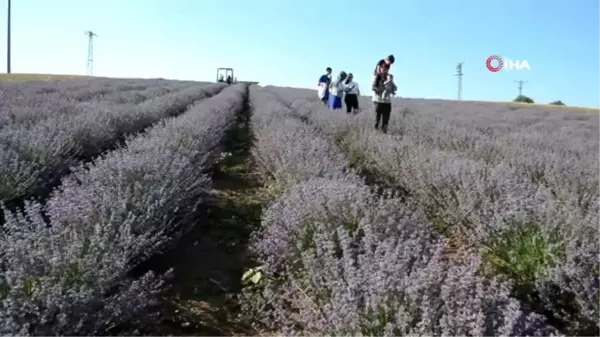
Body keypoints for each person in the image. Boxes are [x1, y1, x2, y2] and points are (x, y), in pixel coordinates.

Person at [372, 65, 397, 134]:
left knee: (386, 120)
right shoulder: (377, 78)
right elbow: (373, 87)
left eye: (386, 69)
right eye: (383, 69)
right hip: (378, 101)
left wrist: (391, 82)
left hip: (387, 102)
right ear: (380, 69)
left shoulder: (389, 78)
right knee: (377, 119)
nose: (385, 71)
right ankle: (375, 132)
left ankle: (384, 133)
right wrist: (381, 89)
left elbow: (395, 89)